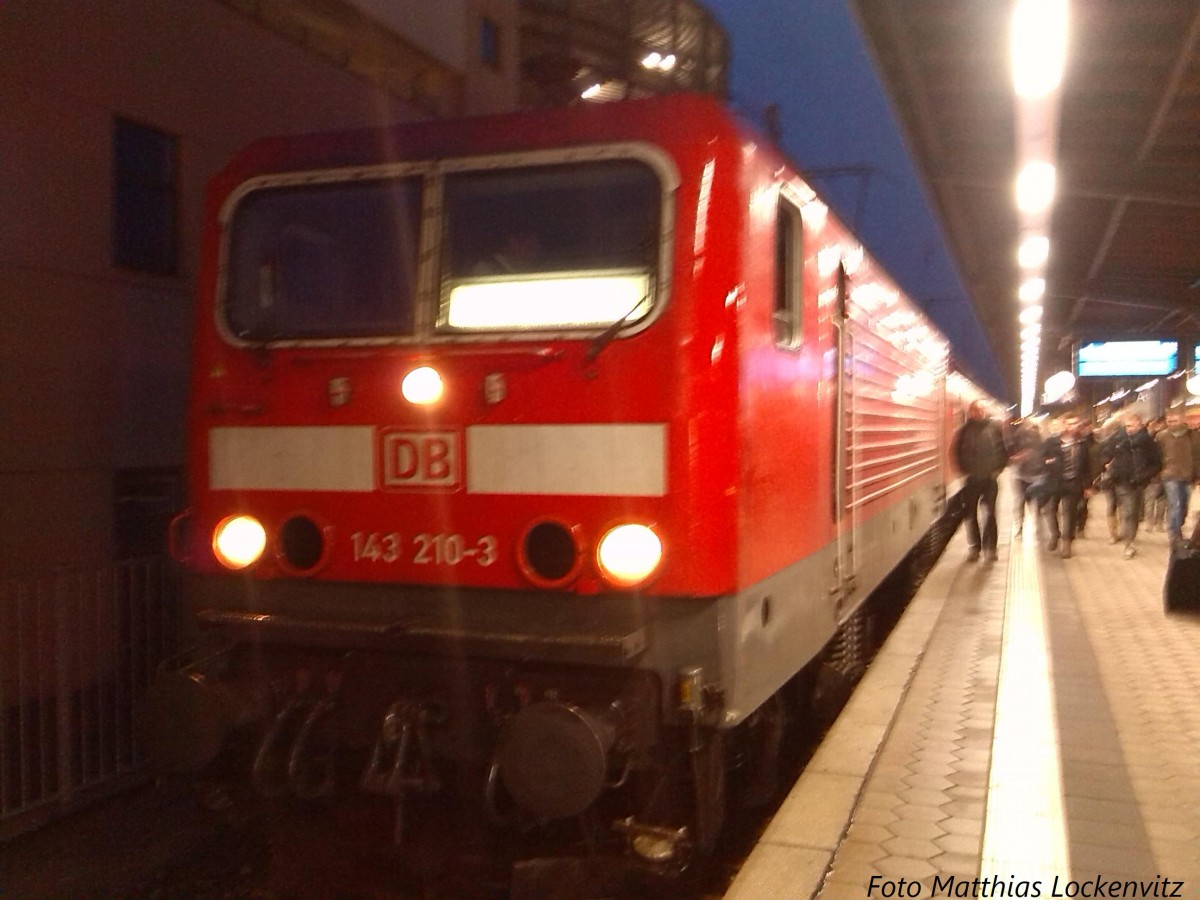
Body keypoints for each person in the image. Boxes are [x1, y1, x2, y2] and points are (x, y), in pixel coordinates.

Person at [1100, 410, 1162, 559]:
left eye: (1133, 426)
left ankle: (1130, 536)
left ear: (1140, 425)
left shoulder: (1148, 442)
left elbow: (1156, 464)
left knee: (1134, 513)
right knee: (1128, 512)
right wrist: (1107, 465)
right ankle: (1129, 544)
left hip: (1139, 482)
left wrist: (1144, 475)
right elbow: (1104, 453)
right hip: (1121, 481)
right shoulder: (1118, 440)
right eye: (1127, 426)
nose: (1130, 429)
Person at [952, 400, 1008, 563]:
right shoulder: (963, 430)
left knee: (990, 514)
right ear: (971, 412)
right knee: (970, 515)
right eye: (975, 410)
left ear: (986, 411)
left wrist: (998, 470)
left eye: (981, 409)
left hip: (990, 480)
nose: (978, 412)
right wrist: (963, 472)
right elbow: (956, 452)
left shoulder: (995, 428)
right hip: (972, 480)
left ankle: (991, 549)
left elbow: (1003, 450)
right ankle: (975, 548)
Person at [1039, 414, 1092, 558]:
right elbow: (1040, 459)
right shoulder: (1051, 442)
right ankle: (1055, 533)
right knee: (1050, 510)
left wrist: (1088, 486)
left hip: (1073, 483)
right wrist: (1048, 463)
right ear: (1063, 425)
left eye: (1075, 423)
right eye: (1069, 424)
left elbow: (1087, 466)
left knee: (1070, 514)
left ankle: (1067, 543)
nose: (1073, 427)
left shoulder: (1082, 443)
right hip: (1053, 482)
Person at [1155, 408, 1199, 544]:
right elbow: (1157, 456)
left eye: (1175, 421)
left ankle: (1178, 527)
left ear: (1182, 420)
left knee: (1184, 506)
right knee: (1175, 504)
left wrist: (1197, 476)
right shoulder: (1161, 436)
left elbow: (1198, 457)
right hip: (1169, 475)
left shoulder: (1194, 437)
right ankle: (1174, 534)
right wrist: (1158, 473)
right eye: (1169, 421)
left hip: (1187, 476)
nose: (1172, 424)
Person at [1007, 419, 1044, 536]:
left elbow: (1011, 456)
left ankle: (1022, 526)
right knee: (1029, 502)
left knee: (1022, 501)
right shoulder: (1039, 440)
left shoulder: (1020, 437)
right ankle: (1028, 525)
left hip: (1030, 474)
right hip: (1027, 474)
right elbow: (1011, 456)